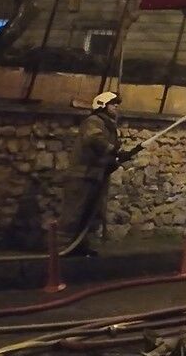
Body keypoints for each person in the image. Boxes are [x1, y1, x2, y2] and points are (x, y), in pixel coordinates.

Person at [57, 91, 139, 254]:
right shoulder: (94, 121)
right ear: (102, 105)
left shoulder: (109, 125)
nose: (116, 107)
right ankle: (61, 249)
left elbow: (105, 153)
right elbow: (94, 139)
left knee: (89, 215)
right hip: (82, 176)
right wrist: (113, 150)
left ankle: (80, 247)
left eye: (117, 104)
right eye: (113, 104)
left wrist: (116, 159)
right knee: (73, 214)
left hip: (96, 176)